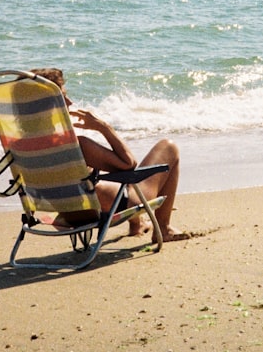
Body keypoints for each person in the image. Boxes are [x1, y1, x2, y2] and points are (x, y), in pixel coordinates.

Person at [30, 68, 189, 243]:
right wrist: (103, 127)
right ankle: (164, 228)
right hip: (110, 207)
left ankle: (137, 225)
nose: (70, 102)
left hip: (68, 214)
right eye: (62, 98)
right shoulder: (76, 146)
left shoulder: (23, 147)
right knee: (168, 147)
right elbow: (129, 164)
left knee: (107, 178)